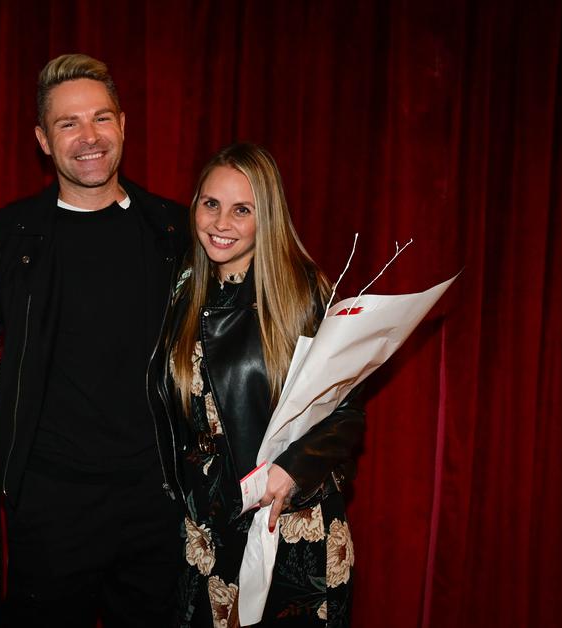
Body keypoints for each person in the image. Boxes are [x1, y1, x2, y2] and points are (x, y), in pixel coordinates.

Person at [0, 53, 189, 627]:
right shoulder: (7, 236)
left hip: (157, 501)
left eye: (101, 118)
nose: (89, 137)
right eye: (68, 123)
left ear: (123, 124)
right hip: (51, 504)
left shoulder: (175, 232)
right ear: (42, 140)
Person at [157, 143, 365, 626]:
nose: (221, 222)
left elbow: (348, 411)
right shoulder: (182, 288)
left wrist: (295, 469)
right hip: (206, 533)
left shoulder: (303, 291)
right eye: (211, 203)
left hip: (290, 526)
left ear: (266, 216)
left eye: (242, 210)